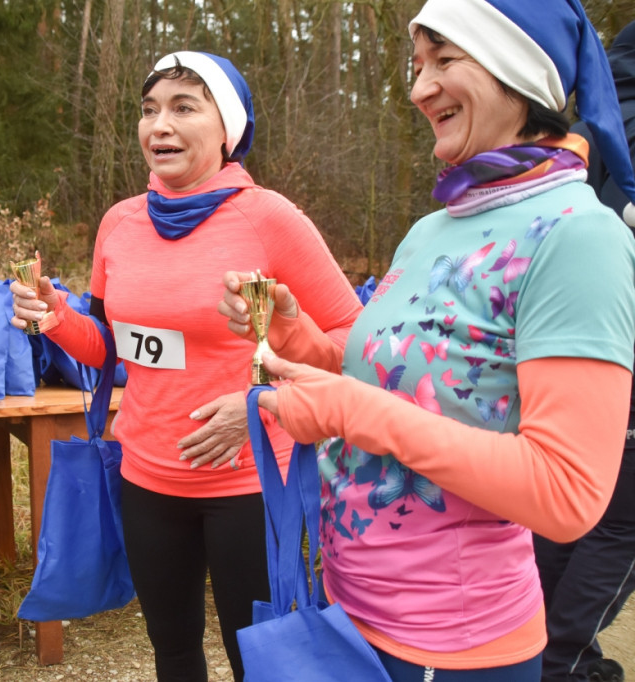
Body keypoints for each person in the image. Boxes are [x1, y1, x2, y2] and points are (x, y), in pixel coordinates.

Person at [220, 1, 635, 680]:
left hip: (456, 649)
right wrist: (295, 335)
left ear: (517, 68)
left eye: (445, 59)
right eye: (417, 66)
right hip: (349, 612)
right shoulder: (433, 228)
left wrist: (349, 414)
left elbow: (567, 495)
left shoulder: (578, 236)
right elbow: (399, 386)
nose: (418, 89)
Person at [11, 51, 362, 681]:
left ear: (226, 129)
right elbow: (111, 349)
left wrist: (263, 400)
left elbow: (351, 344)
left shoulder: (271, 219)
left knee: (259, 660)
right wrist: (55, 316)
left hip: (252, 484)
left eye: (183, 107)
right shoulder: (120, 223)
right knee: (172, 650)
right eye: (149, 111)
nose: (159, 126)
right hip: (147, 477)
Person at [533, 19, 635, 682]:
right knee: (621, 522)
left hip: (565, 339)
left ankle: (563, 652)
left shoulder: (591, 117)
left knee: (565, 498)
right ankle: (556, 658)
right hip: (615, 337)